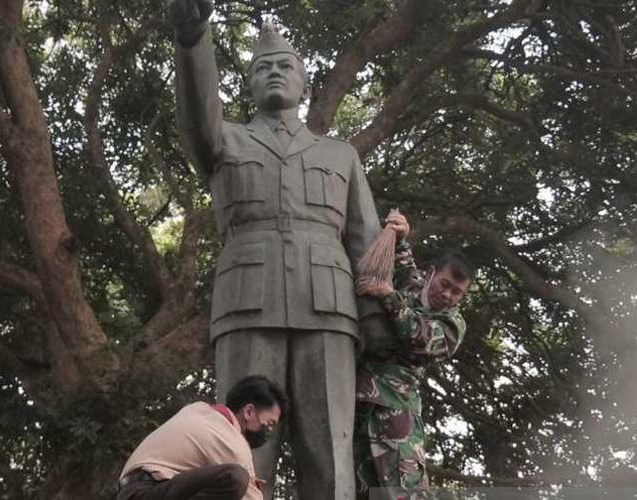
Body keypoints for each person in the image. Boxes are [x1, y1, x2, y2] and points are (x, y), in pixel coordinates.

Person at [168, 2, 388, 498]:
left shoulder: (341, 155)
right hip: (248, 302)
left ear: (304, 85)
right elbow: (197, 116)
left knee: (329, 447)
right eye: (262, 67)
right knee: (240, 449)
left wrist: (377, 321)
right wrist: (191, 36)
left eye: (284, 66)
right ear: (247, 85)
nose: (273, 73)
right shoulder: (225, 141)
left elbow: (367, 241)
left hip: (330, 309)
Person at [354, 212, 474, 500]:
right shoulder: (413, 284)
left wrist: (388, 296)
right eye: (445, 285)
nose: (447, 296)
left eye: (457, 293)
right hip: (358, 408)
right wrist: (401, 232)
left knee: (404, 493)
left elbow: (417, 336)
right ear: (432, 273)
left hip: (397, 419)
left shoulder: (452, 325)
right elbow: (402, 258)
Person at [117, 375, 288, 500]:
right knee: (234, 477)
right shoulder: (229, 438)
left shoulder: (197, 410)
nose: (268, 431)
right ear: (249, 411)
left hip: (133, 491)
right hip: (146, 493)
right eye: (269, 423)